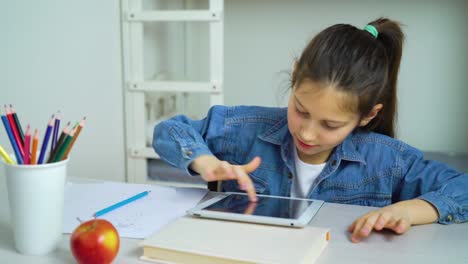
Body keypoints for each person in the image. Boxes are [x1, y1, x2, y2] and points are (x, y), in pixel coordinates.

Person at [153, 18, 468, 243]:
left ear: (367, 115)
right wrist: (205, 162)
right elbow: (170, 130)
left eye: (330, 125)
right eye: (301, 111)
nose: (308, 134)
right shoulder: (244, 128)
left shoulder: (388, 160)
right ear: (293, 79)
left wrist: (412, 210)